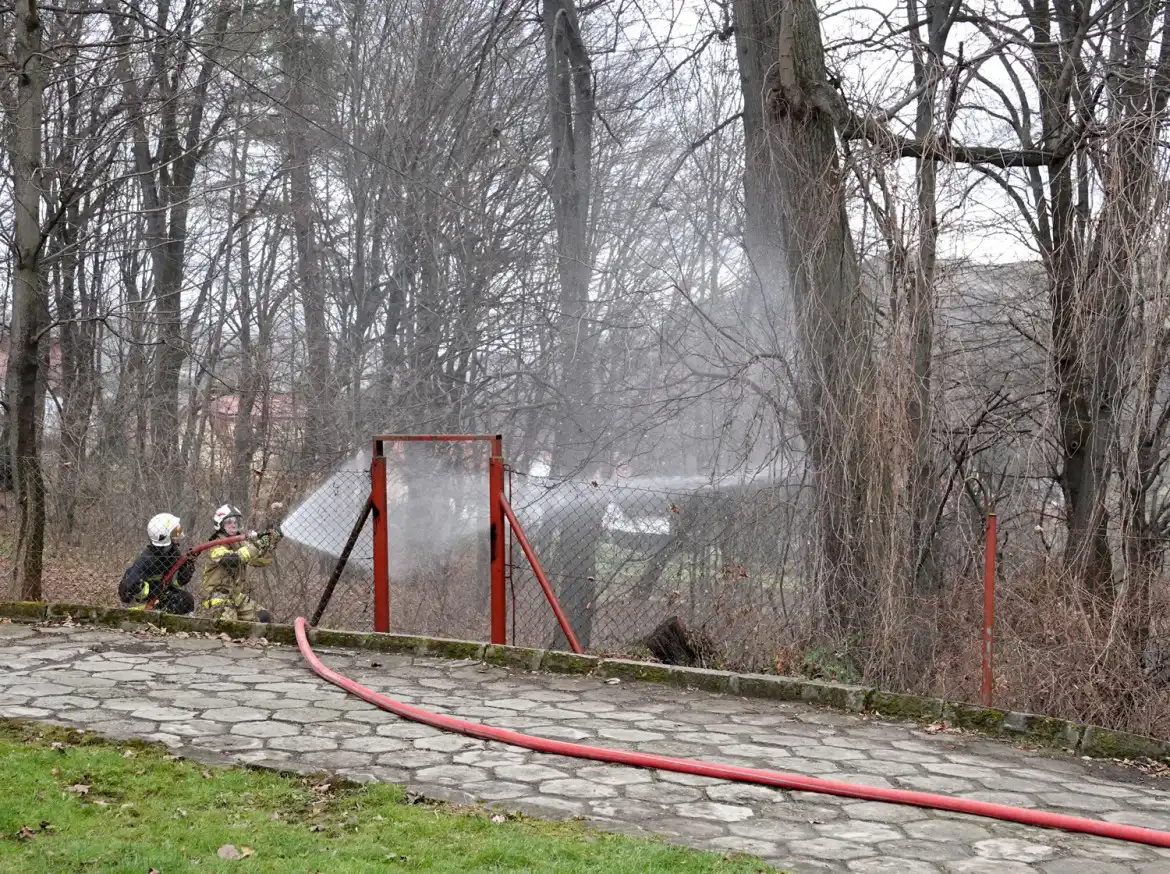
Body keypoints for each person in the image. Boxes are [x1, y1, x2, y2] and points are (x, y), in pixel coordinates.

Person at [201, 503, 281, 623]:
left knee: (263, 617)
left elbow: (260, 561)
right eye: (229, 522)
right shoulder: (215, 544)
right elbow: (232, 560)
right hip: (217, 595)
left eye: (235, 522)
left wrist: (271, 542)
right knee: (229, 624)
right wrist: (257, 544)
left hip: (235, 595)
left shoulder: (240, 543)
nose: (233, 525)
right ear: (220, 524)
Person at [118, 513, 196, 615]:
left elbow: (178, 582)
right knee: (178, 602)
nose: (179, 533)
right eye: (175, 531)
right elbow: (130, 588)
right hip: (140, 603)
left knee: (185, 600)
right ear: (165, 536)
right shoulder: (148, 559)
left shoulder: (172, 552)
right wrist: (154, 590)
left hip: (159, 596)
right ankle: (156, 617)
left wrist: (187, 566)